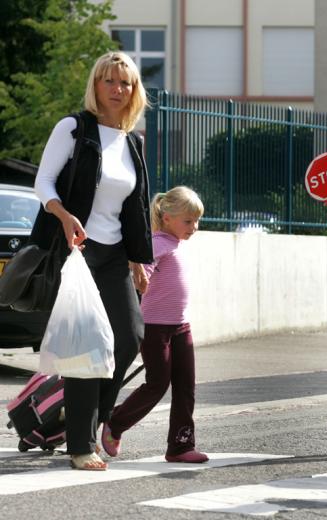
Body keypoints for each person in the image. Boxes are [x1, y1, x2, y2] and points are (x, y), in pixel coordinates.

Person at [33, 51, 153, 470]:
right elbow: (43, 180)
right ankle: (81, 446)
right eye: (109, 81)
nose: (118, 90)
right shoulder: (74, 128)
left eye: (126, 83)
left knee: (129, 336)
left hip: (116, 254)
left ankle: (85, 418)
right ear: (96, 85)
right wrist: (64, 216)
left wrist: (140, 260)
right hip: (77, 252)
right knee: (87, 346)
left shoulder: (132, 141)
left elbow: (136, 205)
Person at [101, 186, 208, 463]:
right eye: (188, 221)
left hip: (181, 326)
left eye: (196, 221)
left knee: (186, 386)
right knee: (157, 383)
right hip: (155, 327)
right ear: (167, 217)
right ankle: (115, 422)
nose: (193, 227)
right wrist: (142, 276)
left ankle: (181, 445)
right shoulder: (158, 242)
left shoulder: (177, 244)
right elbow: (140, 268)